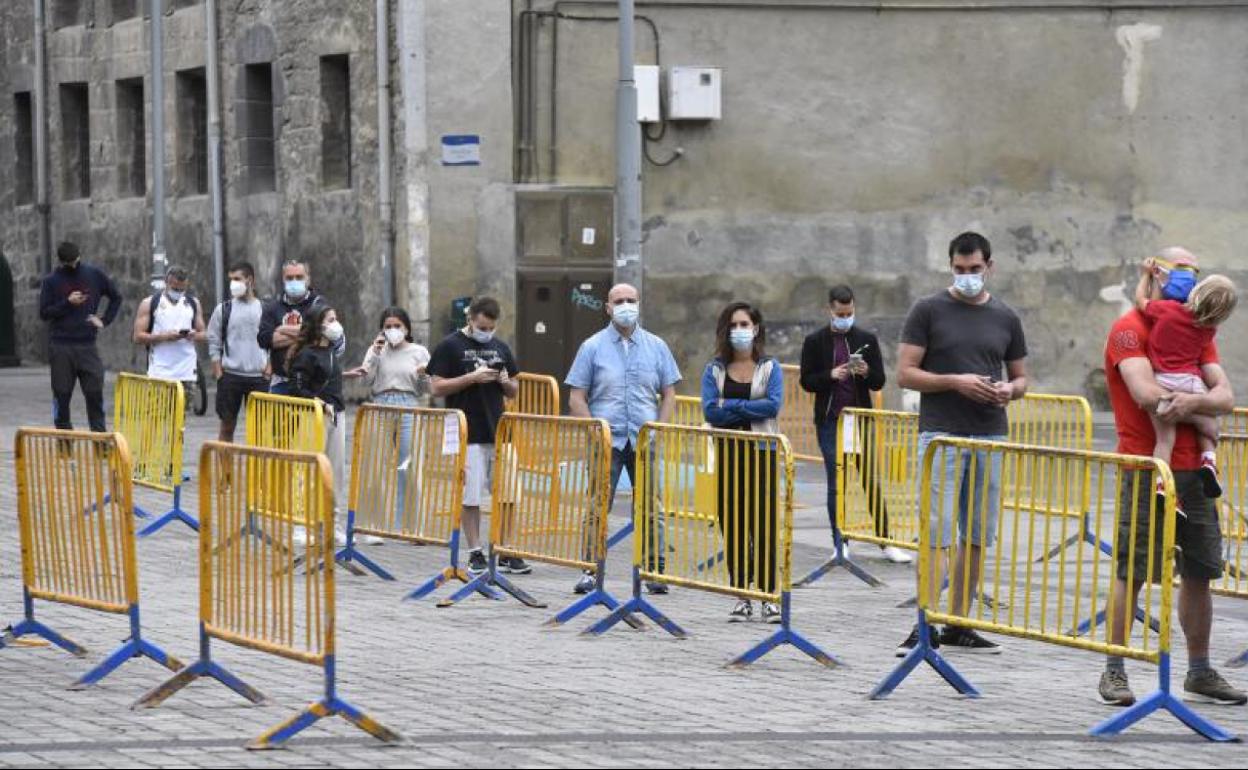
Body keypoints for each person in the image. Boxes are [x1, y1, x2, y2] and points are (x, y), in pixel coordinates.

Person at [1099, 247, 1245, 707]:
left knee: (1200, 571)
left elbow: (1225, 396)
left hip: (1193, 475)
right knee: (1133, 570)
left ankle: (1199, 670)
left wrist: (1186, 403)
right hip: (1147, 469)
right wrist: (1193, 401)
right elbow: (1146, 393)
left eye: (1193, 272)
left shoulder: (1200, 327)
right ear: (1157, 272)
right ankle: (1115, 670)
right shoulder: (1129, 330)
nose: (1187, 279)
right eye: (1180, 270)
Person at [895, 231, 1028, 656]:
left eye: (975, 269)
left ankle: (959, 620)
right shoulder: (928, 310)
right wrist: (955, 381)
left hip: (990, 431)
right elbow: (906, 373)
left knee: (976, 534)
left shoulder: (1006, 317)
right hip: (942, 433)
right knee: (936, 531)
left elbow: (1022, 376)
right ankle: (925, 620)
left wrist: (1010, 390)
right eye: (959, 269)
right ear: (950, 266)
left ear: (990, 266)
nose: (968, 276)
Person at [566, 283, 681, 595]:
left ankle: (654, 569)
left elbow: (669, 393)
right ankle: (590, 569)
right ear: (608, 307)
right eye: (619, 301)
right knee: (597, 505)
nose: (626, 305)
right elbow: (577, 397)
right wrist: (594, 431)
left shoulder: (657, 346)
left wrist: (660, 427)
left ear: (639, 304)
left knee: (651, 506)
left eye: (631, 300)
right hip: (607, 439)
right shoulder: (592, 347)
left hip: (645, 438)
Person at [799, 284, 909, 564]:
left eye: (849, 312)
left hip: (859, 420)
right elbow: (807, 381)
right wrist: (830, 375)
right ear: (830, 310)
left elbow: (880, 381)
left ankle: (886, 542)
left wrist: (866, 371)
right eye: (840, 313)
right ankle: (840, 543)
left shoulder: (866, 339)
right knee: (836, 483)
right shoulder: (815, 341)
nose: (845, 317)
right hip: (830, 421)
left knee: (870, 479)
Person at [427, 297, 523, 577]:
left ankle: (505, 549)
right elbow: (436, 387)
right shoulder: (450, 346)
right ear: (470, 319)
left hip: (499, 429)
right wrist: (471, 378)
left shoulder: (500, 347)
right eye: (482, 326)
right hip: (465, 430)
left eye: (491, 327)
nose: (486, 332)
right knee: (471, 495)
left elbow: (514, 388)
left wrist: (506, 382)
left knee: (508, 493)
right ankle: (475, 551)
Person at [1132, 259, 1236, 512]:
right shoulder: (1208, 330)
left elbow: (1141, 302)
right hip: (1190, 381)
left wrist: (1147, 276)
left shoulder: (1168, 310)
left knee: (1164, 440)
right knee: (1209, 427)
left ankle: (1161, 485)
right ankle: (1209, 461)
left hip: (1163, 380)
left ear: (1196, 292)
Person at [701, 302, 783, 623]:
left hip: (762, 452)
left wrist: (731, 405)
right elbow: (711, 411)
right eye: (733, 325)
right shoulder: (714, 370)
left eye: (745, 324)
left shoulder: (770, 367)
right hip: (728, 452)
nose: (739, 330)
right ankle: (741, 595)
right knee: (733, 524)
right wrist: (749, 404)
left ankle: (768, 596)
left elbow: (772, 406)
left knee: (763, 524)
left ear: (756, 328)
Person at [346, 306, 431, 537]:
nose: (393, 330)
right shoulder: (376, 351)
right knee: (375, 465)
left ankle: (412, 526)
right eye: (388, 326)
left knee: (410, 466)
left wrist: (422, 375)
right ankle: (374, 526)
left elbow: (427, 389)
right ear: (381, 330)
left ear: (407, 328)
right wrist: (374, 353)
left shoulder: (419, 351)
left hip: (409, 404)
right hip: (380, 402)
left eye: (397, 326)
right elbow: (365, 382)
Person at [39, 241, 122, 432]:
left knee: (94, 393)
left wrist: (104, 320)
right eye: (68, 264)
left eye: (75, 262)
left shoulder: (93, 274)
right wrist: (67, 303)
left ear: (79, 256)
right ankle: (64, 439)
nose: (73, 266)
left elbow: (116, 296)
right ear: (60, 261)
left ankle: (99, 440)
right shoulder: (51, 281)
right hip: (60, 346)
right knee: (61, 394)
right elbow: (44, 313)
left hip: (87, 345)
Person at [287, 304, 349, 541]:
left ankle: (332, 521)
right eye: (330, 320)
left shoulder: (332, 351)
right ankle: (300, 524)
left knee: (334, 471)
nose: (335, 324)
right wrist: (318, 403)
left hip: (337, 415)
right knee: (306, 470)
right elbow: (296, 388)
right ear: (318, 325)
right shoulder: (306, 354)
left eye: (336, 319)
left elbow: (328, 376)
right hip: (311, 417)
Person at [258, 260, 343, 394]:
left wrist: (280, 329)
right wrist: (309, 333)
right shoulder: (272, 307)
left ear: (308, 279)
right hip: (281, 383)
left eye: (299, 277)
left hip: (312, 384)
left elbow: (325, 332)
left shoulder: (319, 304)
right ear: (283, 279)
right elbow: (265, 338)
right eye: (289, 278)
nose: (294, 281)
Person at [206, 262, 269, 442]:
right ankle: (226, 470)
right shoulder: (224, 309)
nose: (233, 283)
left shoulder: (265, 309)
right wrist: (218, 372)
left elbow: (273, 340)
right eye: (231, 279)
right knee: (227, 427)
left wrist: (269, 368)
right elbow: (214, 340)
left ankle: (256, 470)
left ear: (249, 280)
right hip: (230, 377)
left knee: (259, 431)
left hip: (259, 378)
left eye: (237, 279)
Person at [132, 265, 206, 416]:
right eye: (175, 288)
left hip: (186, 371)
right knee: (157, 417)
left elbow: (204, 334)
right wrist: (164, 337)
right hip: (160, 371)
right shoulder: (150, 303)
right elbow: (137, 336)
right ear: (167, 283)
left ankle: (177, 441)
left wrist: (192, 335)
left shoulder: (193, 304)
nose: (178, 292)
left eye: (181, 289)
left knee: (180, 418)